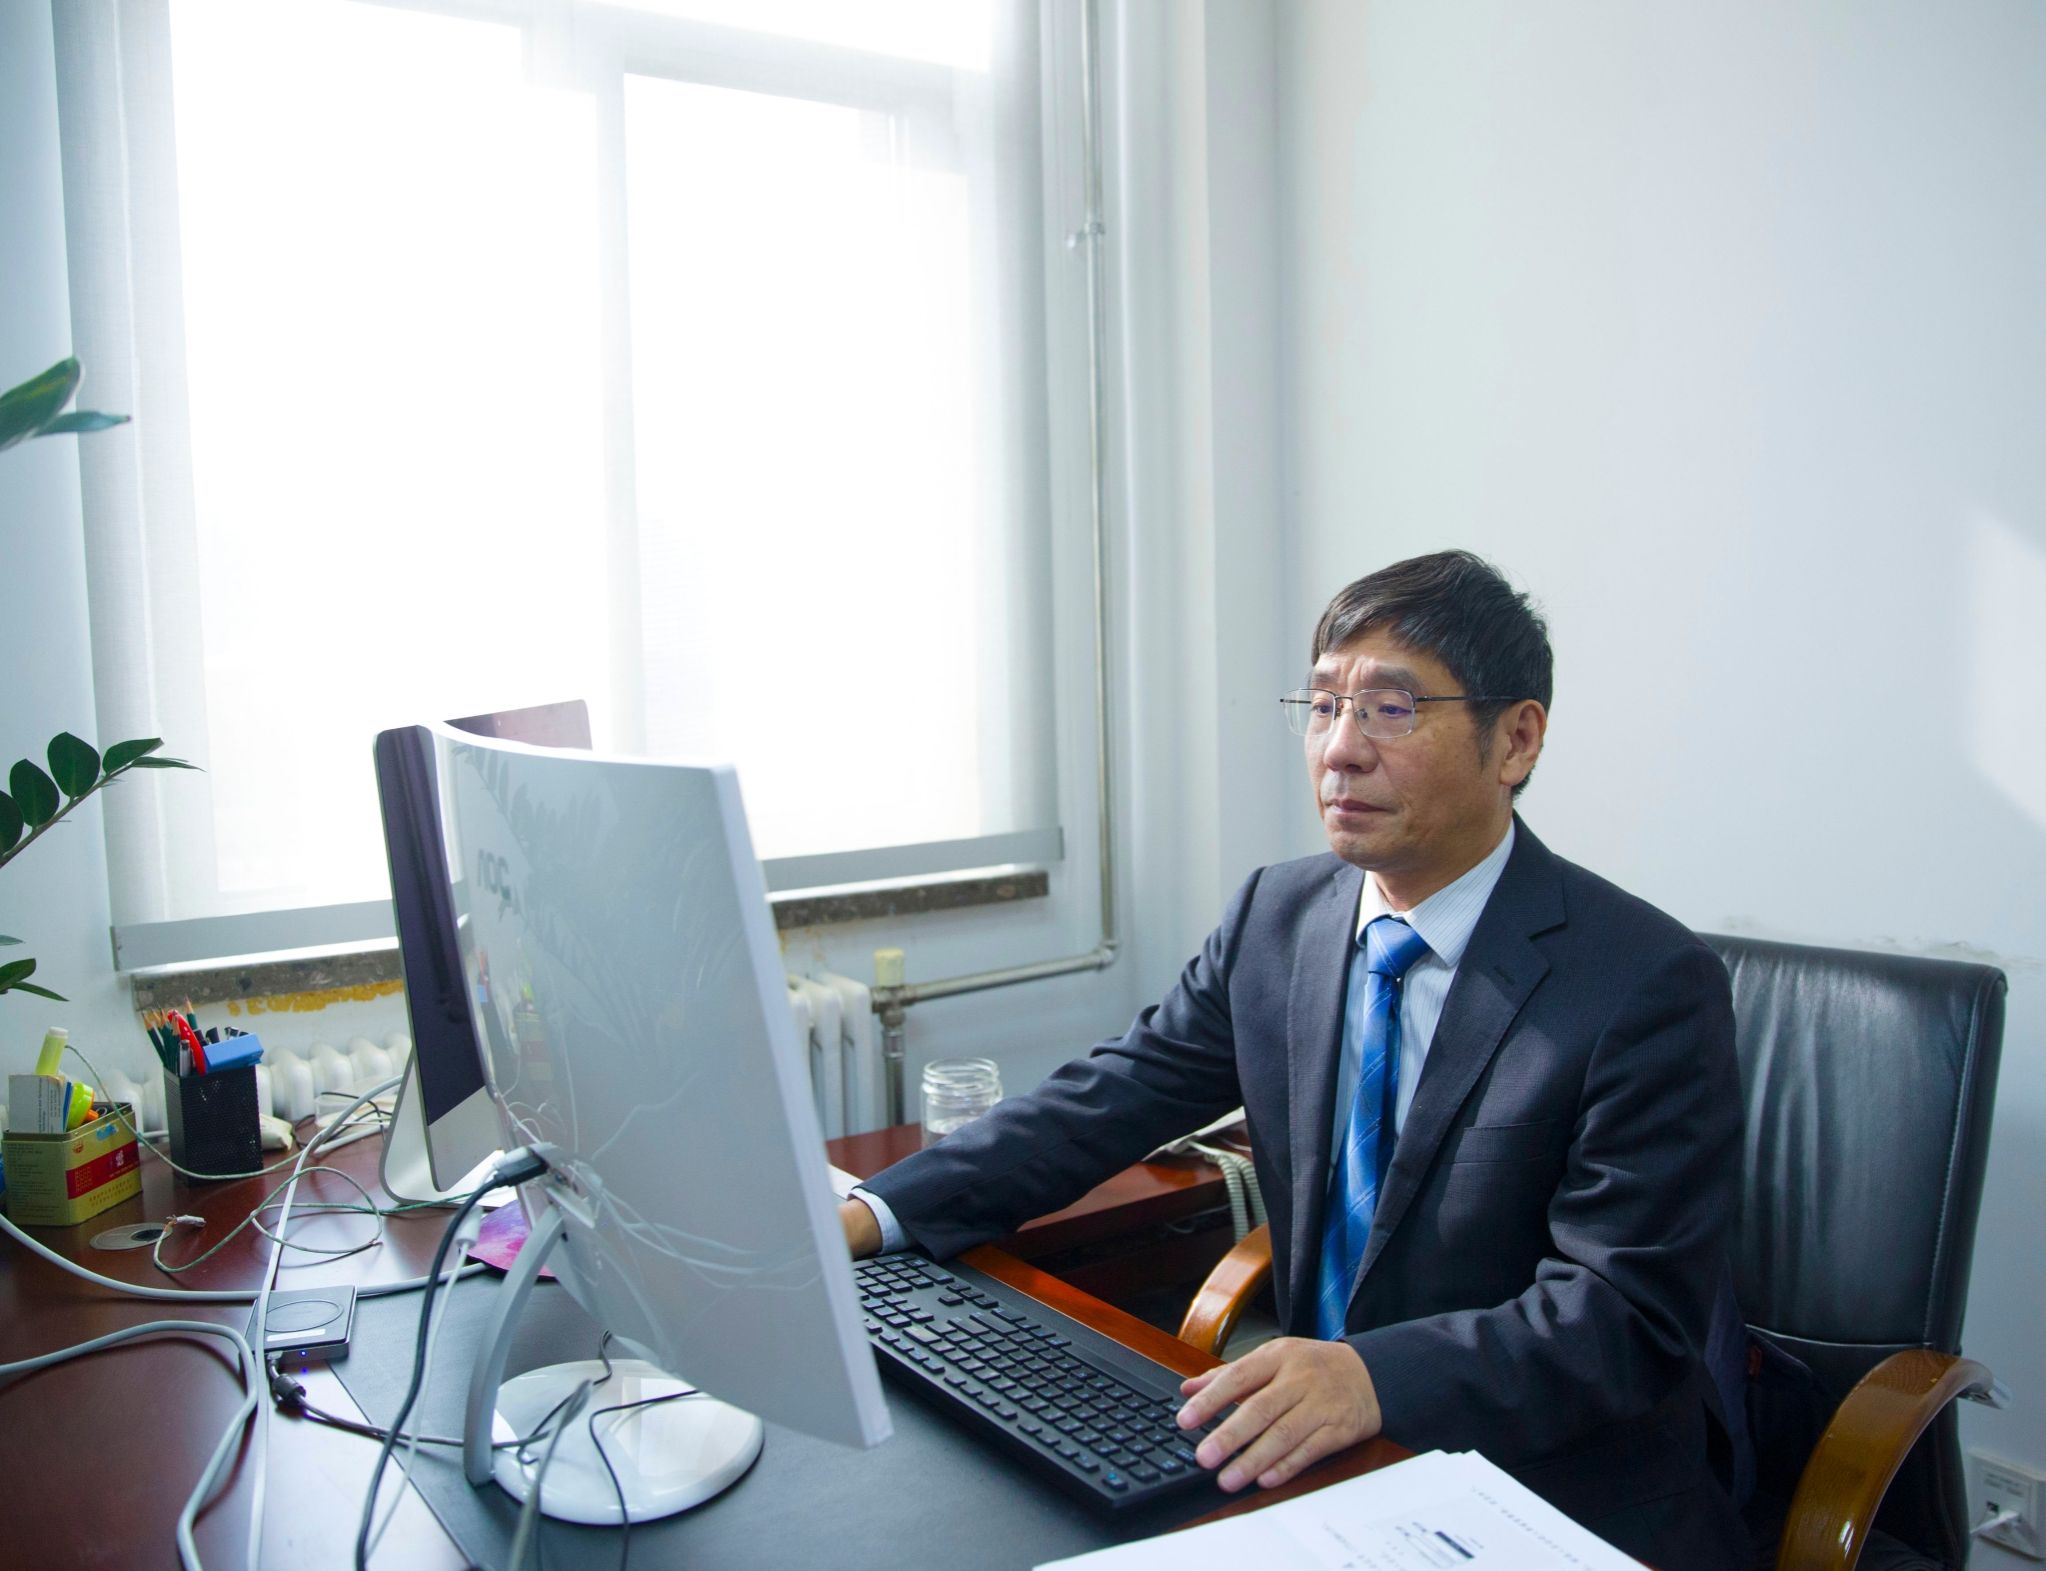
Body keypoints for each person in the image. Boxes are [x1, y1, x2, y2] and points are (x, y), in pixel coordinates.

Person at [838, 550, 1749, 1571]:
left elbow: (1625, 1317)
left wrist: (1373, 1377)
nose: (1340, 751)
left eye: (1392, 709)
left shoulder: (1642, 982)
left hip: (1549, 1490)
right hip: (1327, 1468)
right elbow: (1111, 1095)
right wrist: (874, 1213)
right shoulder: (1279, 917)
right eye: (1322, 706)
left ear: (1517, 739)